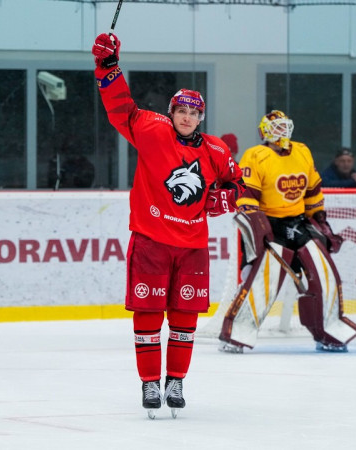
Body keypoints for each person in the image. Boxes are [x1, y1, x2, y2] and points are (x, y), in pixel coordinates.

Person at [92, 33, 245, 419]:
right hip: (150, 242)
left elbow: (236, 183)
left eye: (193, 112)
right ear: (172, 112)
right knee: (146, 315)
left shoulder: (215, 151)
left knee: (184, 317)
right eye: (181, 110)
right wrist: (108, 68)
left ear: (201, 117)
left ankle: (174, 381)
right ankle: (148, 382)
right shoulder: (152, 130)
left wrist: (223, 198)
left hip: (192, 247)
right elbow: (120, 109)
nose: (187, 116)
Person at [219, 110, 356, 354]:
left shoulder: (302, 151)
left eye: (285, 127)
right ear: (265, 132)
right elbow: (246, 196)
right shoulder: (256, 155)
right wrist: (257, 227)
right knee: (261, 282)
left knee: (324, 272)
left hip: (297, 222)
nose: (282, 132)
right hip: (268, 226)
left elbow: (313, 191)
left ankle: (327, 330)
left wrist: (320, 221)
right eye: (277, 128)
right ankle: (235, 334)